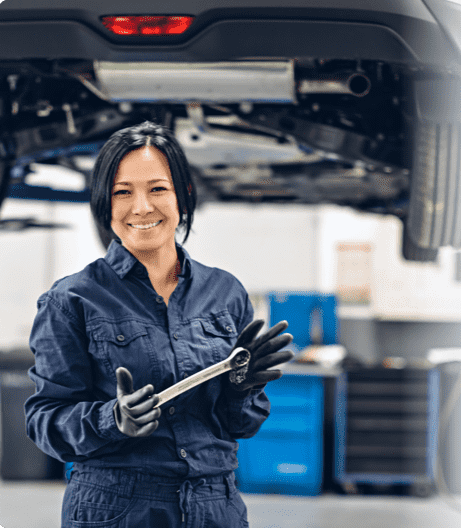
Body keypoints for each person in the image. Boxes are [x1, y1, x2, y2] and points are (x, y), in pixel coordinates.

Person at [24, 121, 294, 527]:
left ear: (183, 196)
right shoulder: (72, 300)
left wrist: (242, 388)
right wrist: (110, 419)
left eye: (157, 189)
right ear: (103, 203)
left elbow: (242, 424)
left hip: (214, 505)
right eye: (122, 192)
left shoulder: (225, 292)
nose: (142, 207)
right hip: (117, 507)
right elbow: (44, 419)